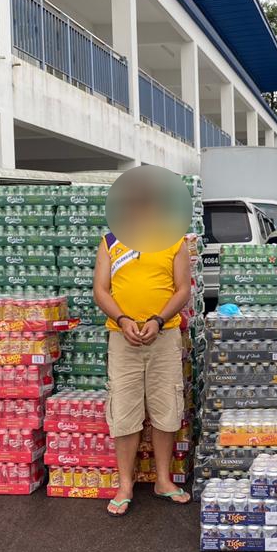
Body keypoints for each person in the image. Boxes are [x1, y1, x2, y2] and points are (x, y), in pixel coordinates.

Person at [93, 193, 192, 517]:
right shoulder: (110, 241)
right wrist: (122, 320)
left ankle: (163, 480)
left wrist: (158, 320)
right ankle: (125, 484)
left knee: (166, 408)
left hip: (163, 337)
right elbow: (101, 290)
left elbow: (182, 289)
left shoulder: (175, 241)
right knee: (124, 410)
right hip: (122, 339)